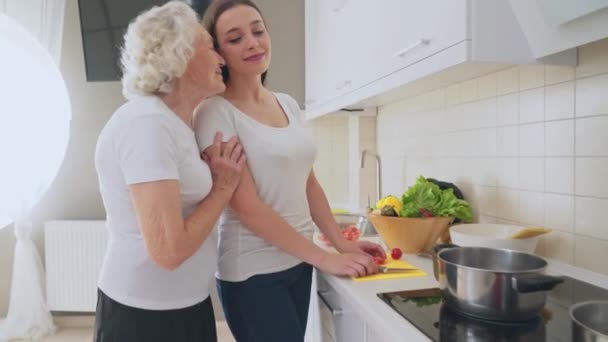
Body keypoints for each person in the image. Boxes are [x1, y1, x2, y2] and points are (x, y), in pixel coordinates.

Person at [195, 1, 386, 341]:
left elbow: (308, 182)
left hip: (298, 264)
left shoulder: (287, 103)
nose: (253, 43)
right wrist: (325, 259)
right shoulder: (214, 112)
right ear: (219, 51)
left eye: (258, 30)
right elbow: (247, 207)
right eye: (236, 38)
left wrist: (340, 243)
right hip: (253, 272)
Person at [93, 2, 245, 341]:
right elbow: (168, 251)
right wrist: (223, 188)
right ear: (180, 53)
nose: (222, 60)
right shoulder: (147, 123)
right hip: (143, 317)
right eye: (210, 46)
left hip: (188, 305)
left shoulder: (177, 124)